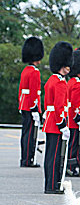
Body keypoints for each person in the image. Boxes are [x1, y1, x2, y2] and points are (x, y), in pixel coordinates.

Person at [42, 41, 73, 194]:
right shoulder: (60, 83)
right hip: (56, 123)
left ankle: (50, 184)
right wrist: (63, 125)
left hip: (49, 122)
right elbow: (59, 107)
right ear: (63, 64)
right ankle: (53, 185)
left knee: (50, 155)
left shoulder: (51, 80)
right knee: (55, 156)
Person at [19, 37, 44, 167]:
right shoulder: (34, 72)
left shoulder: (25, 71)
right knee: (31, 134)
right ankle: (29, 159)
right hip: (31, 106)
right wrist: (35, 109)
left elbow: (22, 91)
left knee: (25, 133)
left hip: (24, 104)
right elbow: (34, 92)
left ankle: (24, 158)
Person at [66, 50, 80, 176]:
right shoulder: (77, 84)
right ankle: (71, 167)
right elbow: (75, 104)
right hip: (74, 120)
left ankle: (71, 166)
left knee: (72, 144)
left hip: (70, 117)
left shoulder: (71, 82)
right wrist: (78, 118)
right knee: (74, 145)